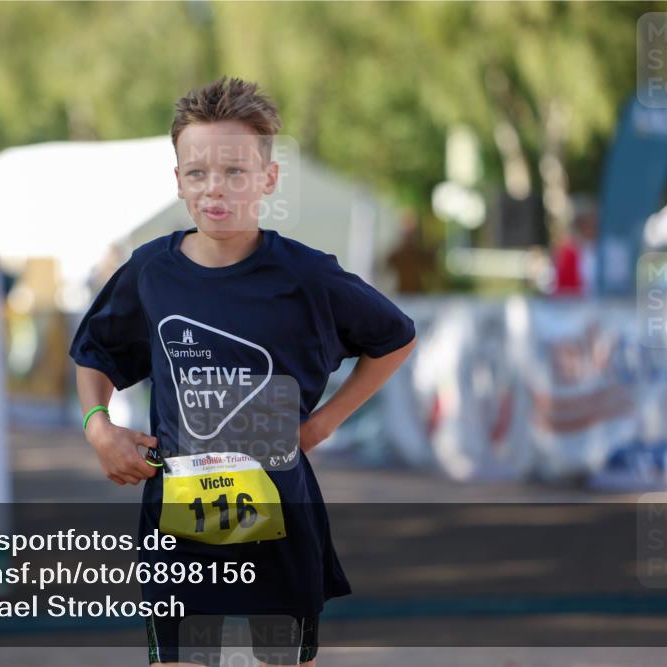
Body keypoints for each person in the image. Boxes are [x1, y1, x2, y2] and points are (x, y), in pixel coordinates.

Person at [70, 76, 416, 667]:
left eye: (235, 171)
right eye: (198, 173)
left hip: (281, 521)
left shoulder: (307, 277)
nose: (215, 190)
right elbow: (93, 354)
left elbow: (395, 338)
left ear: (268, 179)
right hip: (178, 525)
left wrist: (324, 423)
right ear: (177, 180)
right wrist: (99, 428)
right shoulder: (152, 272)